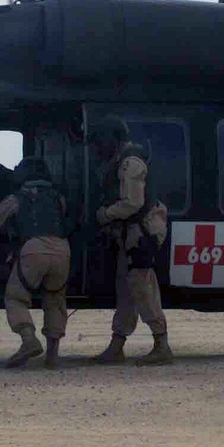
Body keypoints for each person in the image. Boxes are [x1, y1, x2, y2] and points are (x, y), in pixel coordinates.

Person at [87, 116, 172, 366]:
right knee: (125, 289)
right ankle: (117, 345)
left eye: (100, 141)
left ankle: (161, 343)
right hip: (130, 233)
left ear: (113, 138)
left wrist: (104, 214)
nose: (97, 148)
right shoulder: (119, 162)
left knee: (141, 287)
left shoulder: (130, 163)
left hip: (141, 233)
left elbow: (132, 203)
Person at [0, 157, 70, 369]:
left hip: (33, 249)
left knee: (16, 297)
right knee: (55, 300)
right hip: (62, 250)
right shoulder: (59, 198)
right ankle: (52, 356)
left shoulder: (17, 197)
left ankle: (28, 339)